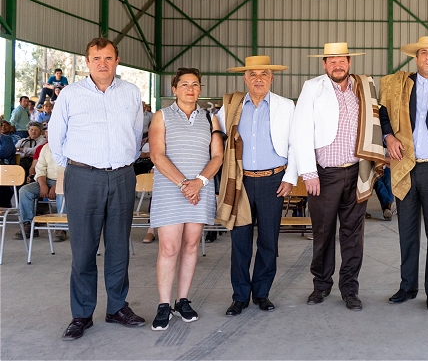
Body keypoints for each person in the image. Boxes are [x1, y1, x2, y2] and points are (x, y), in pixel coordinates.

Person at [48, 37, 146, 341]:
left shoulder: (131, 92)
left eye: (108, 58)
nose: (102, 63)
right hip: (83, 177)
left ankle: (117, 307)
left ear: (117, 61)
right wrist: (78, 166)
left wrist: (123, 163)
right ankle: (81, 314)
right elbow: (55, 135)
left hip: (121, 177)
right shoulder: (70, 94)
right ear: (87, 63)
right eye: (96, 58)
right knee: (83, 250)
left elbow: (135, 131)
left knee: (119, 248)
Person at [291, 42, 385, 311]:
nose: (337, 65)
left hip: (357, 171)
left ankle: (350, 289)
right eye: (331, 61)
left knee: (353, 235)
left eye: (341, 60)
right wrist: (309, 172)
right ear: (324, 64)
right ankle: (321, 285)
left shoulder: (363, 87)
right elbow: (301, 130)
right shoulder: (313, 87)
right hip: (325, 174)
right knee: (322, 233)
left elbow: (376, 120)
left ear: (349, 62)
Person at [378, 36, 428, 311]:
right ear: (416, 57)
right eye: (423, 53)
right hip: (405, 164)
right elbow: (384, 112)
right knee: (407, 230)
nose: (427, 57)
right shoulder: (400, 84)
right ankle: (407, 286)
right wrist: (388, 136)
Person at [215, 55, 297, 316]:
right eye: (253, 74)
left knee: (268, 242)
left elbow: (297, 143)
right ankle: (240, 296)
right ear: (245, 78)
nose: (258, 79)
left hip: (274, 181)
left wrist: (290, 177)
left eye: (264, 74)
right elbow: (215, 134)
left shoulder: (286, 106)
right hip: (241, 181)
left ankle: (262, 293)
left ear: (272, 78)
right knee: (240, 242)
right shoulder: (230, 106)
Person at [149, 68, 224, 331]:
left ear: (200, 89)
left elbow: (217, 156)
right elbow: (157, 155)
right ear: (174, 89)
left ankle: (182, 300)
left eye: (194, 84)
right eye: (184, 84)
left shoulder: (211, 119)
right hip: (172, 189)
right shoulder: (161, 117)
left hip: (200, 189)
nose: (189, 89)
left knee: (191, 245)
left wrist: (199, 182)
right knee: (169, 248)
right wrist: (184, 184)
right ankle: (163, 304)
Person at [15, 142, 66, 241]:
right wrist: (43, 185)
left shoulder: (70, 147)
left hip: (65, 180)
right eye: (47, 132)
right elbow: (40, 169)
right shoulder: (45, 148)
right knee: (25, 191)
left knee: (61, 193)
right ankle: (28, 225)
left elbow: (71, 170)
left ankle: (60, 227)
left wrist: (57, 185)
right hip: (46, 180)